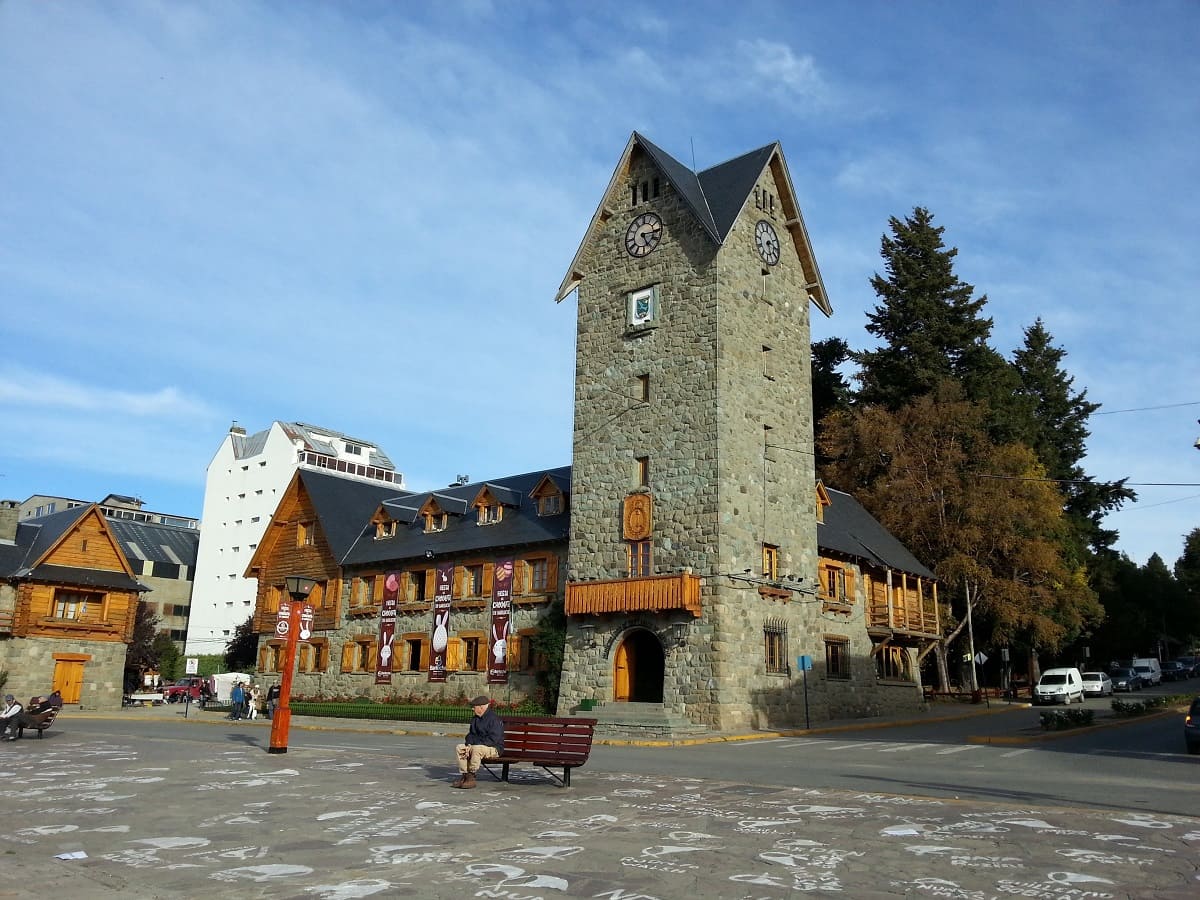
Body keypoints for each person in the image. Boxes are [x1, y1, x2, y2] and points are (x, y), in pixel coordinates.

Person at [452, 695, 504, 789]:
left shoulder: (494, 719)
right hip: (479, 745)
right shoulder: (475, 719)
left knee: (476, 749)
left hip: (494, 748)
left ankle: (471, 776)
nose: (472, 709)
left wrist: (474, 745)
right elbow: (471, 734)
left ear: (482, 707)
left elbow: (493, 739)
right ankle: (465, 775)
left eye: (474, 707)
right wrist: (468, 745)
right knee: (460, 747)